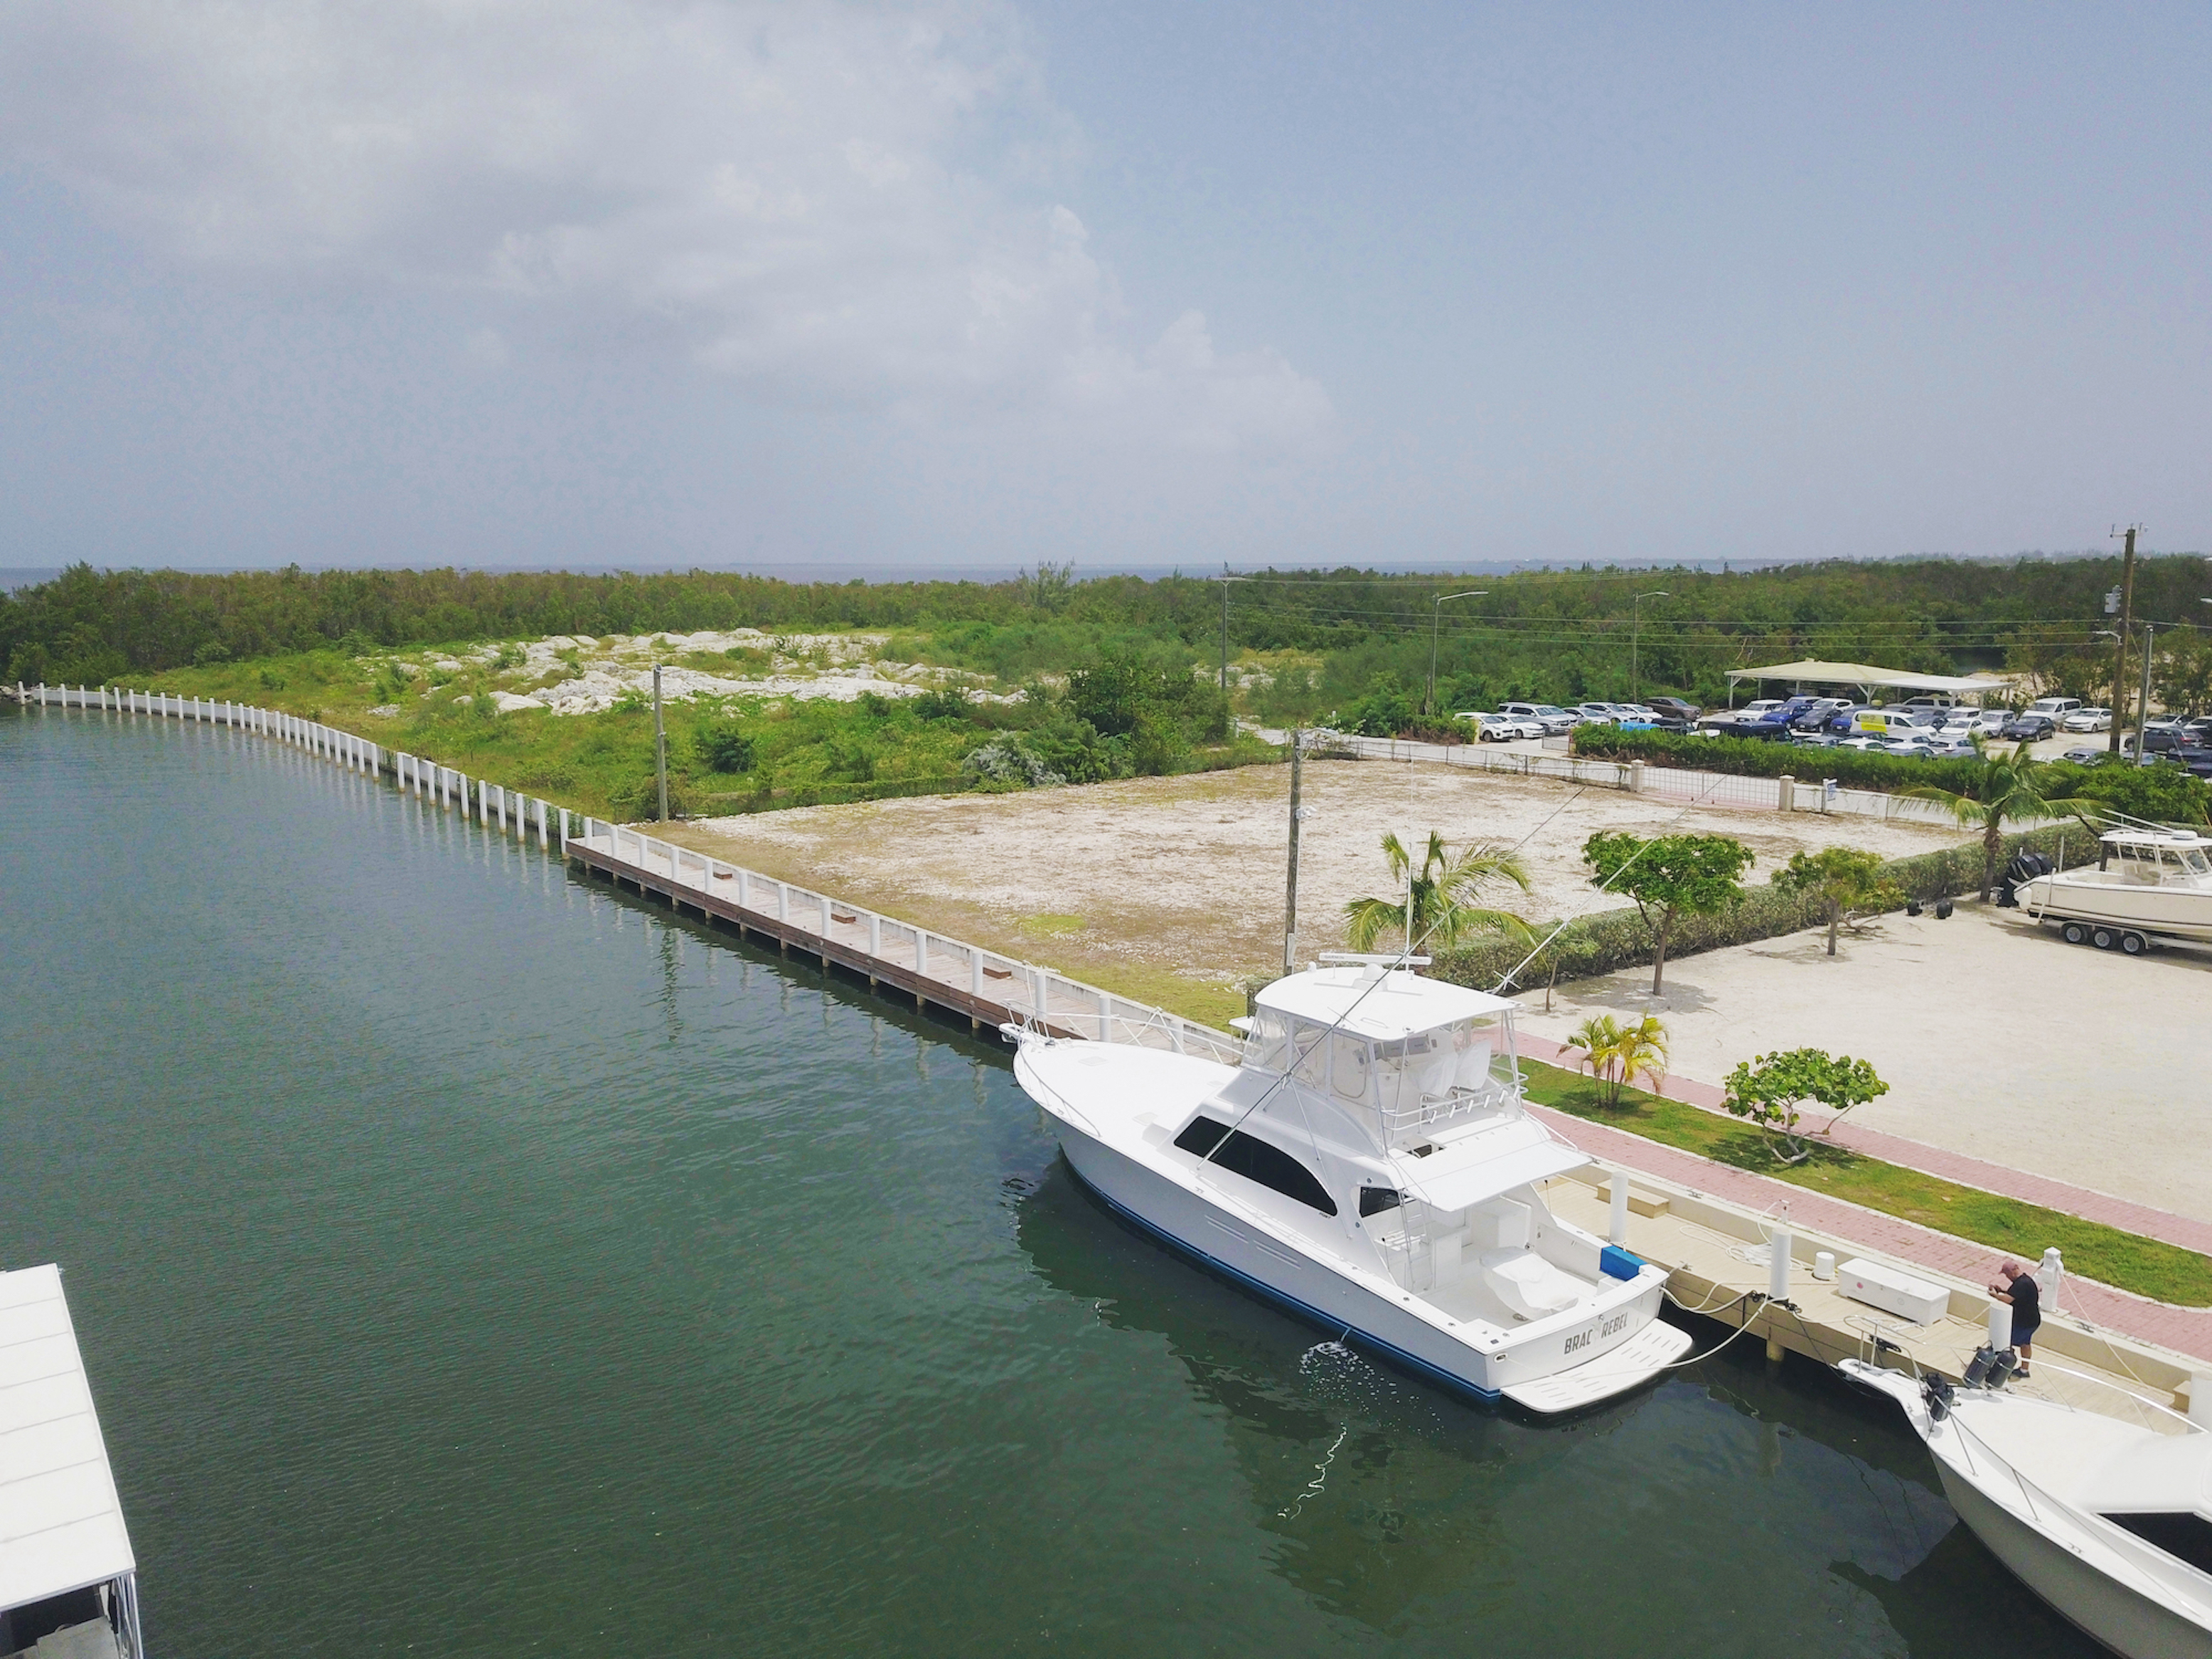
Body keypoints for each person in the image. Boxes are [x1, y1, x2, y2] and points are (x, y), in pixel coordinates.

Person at [1989, 1259, 2041, 1377]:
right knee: (2025, 1343)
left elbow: (2008, 1300)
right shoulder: (2025, 1281)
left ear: (2012, 1272)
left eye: (2007, 1274)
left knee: (2006, 1342)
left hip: (2024, 1322)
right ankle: (2024, 1370)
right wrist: (2001, 1291)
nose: (2007, 1277)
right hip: (2032, 1320)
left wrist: (1995, 1295)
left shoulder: (2021, 1284)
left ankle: (2004, 1367)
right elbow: (2015, 1295)